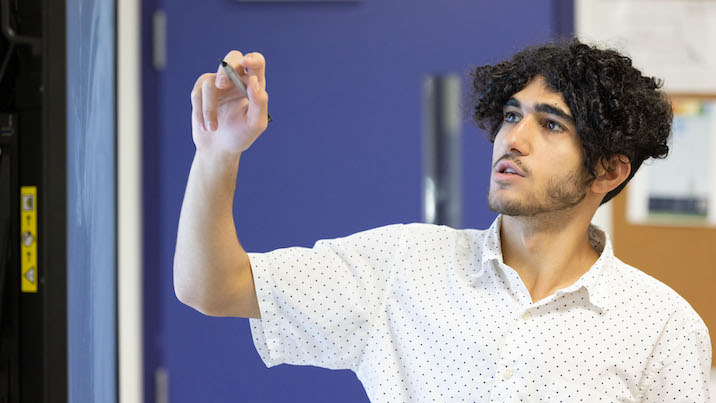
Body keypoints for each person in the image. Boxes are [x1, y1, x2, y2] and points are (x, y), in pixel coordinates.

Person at [173, 39, 712, 401]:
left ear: (608, 170)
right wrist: (219, 153)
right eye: (510, 115)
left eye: (550, 125)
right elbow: (213, 289)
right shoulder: (401, 264)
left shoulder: (662, 326)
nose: (513, 140)